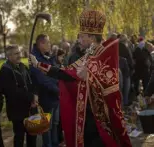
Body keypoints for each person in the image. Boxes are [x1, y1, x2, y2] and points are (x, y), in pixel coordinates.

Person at [29, 10, 132, 147]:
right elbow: (68, 74)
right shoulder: (89, 54)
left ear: (90, 37)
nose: (79, 40)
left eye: (81, 36)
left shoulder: (104, 54)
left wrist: (90, 76)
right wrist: (38, 64)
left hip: (101, 117)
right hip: (87, 115)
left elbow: (110, 83)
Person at [0, 45, 37, 147]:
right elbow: (13, 92)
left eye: (19, 53)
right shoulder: (5, 70)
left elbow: (30, 83)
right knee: (19, 136)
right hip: (17, 110)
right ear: (9, 56)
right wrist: (31, 97)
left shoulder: (23, 66)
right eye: (16, 54)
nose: (19, 55)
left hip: (30, 107)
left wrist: (34, 97)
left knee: (32, 135)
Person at [30, 34, 59, 147]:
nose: (49, 45)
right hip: (46, 97)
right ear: (41, 44)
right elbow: (43, 80)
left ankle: (55, 143)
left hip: (54, 96)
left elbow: (54, 73)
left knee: (54, 124)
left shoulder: (46, 56)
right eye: (47, 42)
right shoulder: (34, 59)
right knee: (47, 126)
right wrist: (59, 90)